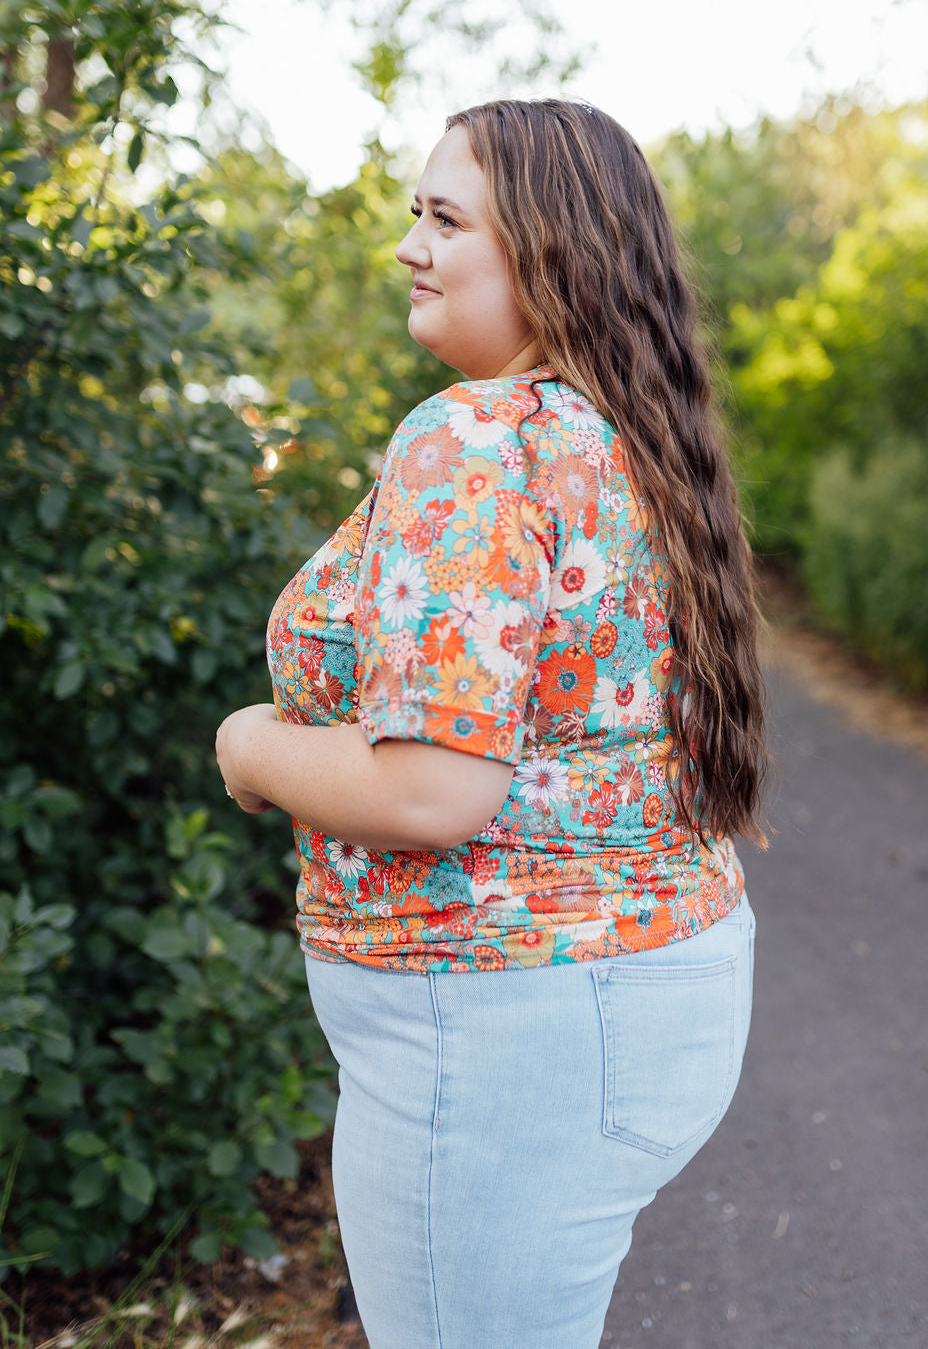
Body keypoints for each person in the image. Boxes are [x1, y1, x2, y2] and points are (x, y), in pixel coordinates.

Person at [215, 97, 768, 1349]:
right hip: (631, 993)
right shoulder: (620, 433)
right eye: (414, 212)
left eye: (445, 218)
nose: (409, 246)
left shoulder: (469, 442)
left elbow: (431, 793)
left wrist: (249, 747)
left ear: (552, 250)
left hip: (508, 1032)